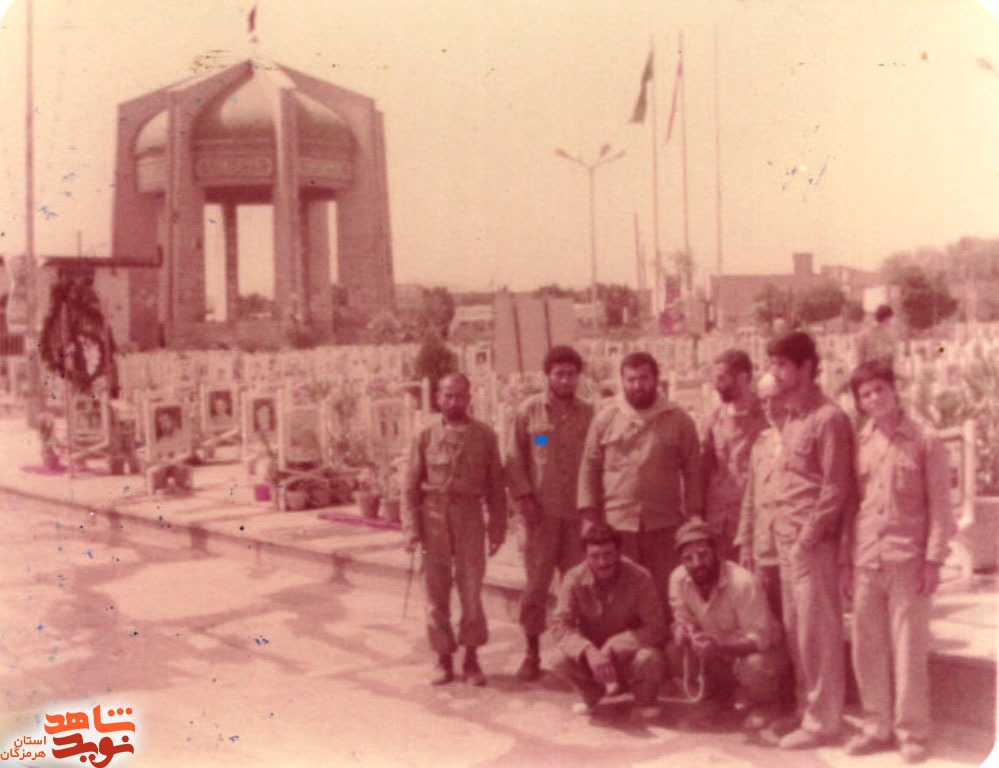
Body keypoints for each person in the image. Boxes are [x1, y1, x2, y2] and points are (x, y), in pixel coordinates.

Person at [842, 360, 956, 764]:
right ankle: (876, 726)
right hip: (867, 559)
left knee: (908, 650)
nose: (874, 398)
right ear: (859, 402)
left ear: (894, 389)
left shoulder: (926, 440)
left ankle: (912, 732)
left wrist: (933, 561)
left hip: (908, 559)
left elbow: (941, 508)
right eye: (865, 394)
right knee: (867, 649)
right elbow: (854, 507)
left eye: (879, 389)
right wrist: (847, 564)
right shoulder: (862, 442)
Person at [765, 330, 856, 749]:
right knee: (796, 631)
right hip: (787, 538)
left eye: (783, 365)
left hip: (812, 542)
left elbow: (835, 488)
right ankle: (806, 709)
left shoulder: (829, 418)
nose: (776, 373)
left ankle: (824, 722)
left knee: (817, 633)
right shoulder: (792, 417)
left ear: (806, 367)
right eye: (773, 365)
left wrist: (807, 537)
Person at [578, 351, 703, 620]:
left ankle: (663, 641)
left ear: (655, 379)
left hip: (663, 524)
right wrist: (588, 514)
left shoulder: (678, 419)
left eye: (644, 378)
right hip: (618, 525)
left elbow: (693, 470)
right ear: (622, 381)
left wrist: (693, 514)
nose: (637, 385)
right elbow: (589, 468)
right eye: (631, 379)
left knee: (663, 590)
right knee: (621, 592)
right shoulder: (606, 419)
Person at [401, 373, 507, 687]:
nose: (454, 401)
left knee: (471, 590)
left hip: (470, 516)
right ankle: (443, 658)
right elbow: (409, 486)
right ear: (438, 398)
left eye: (460, 396)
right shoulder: (424, 435)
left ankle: (471, 658)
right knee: (435, 591)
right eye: (448, 395)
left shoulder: (485, 435)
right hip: (434, 517)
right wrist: (411, 529)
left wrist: (497, 529)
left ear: (469, 398)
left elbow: (496, 487)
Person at [505, 345, 594, 681]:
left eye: (571, 374)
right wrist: (524, 498)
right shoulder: (529, 412)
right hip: (540, 516)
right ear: (548, 376)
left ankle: (577, 653)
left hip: (576, 516)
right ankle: (532, 653)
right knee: (536, 587)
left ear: (578, 377)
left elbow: (596, 461)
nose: (565, 380)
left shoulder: (588, 414)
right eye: (559, 374)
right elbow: (514, 459)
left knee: (577, 587)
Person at [668, 518, 789, 725]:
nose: (697, 564)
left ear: (716, 552)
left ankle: (770, 705)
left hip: (761, 653)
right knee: (673, 650)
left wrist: (719, 648)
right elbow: (681, 618)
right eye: (688, 558)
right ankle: (717, 700)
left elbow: (760, 640)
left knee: (754, 666)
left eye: (702, 554)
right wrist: (681, 630)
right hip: (719, 652)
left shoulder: (742, 581)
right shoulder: (678, 578)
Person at [551, 523, 665, 719]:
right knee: (557, 659)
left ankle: (644, 699)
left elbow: (656, 626)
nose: (602, 562)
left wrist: (614, 646)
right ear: (585, 556)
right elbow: (560, 626)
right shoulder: (574, 578)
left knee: (649, 657)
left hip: (629, 657)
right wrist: (588, 651)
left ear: (619, 552)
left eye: (608, 554)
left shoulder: (640, 577)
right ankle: (592, 693)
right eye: (594, 556)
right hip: (594, 661)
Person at [701, 349, 769, 561]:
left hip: (756, 522)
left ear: (742, 377)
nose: (717, 385)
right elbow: (703, 470)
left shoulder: (767, 416)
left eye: (722, 378)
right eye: (715, 378)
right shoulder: (714, 419)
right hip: (719, 522)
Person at [735, 373, 786, 621]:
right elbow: (751, 497)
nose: (770, 407)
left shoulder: (805, 437)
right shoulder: (762, 444)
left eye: (776, 398)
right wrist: (745, 544)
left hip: (795, 547)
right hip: (765, 548)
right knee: (768, 620)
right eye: (764, 401)